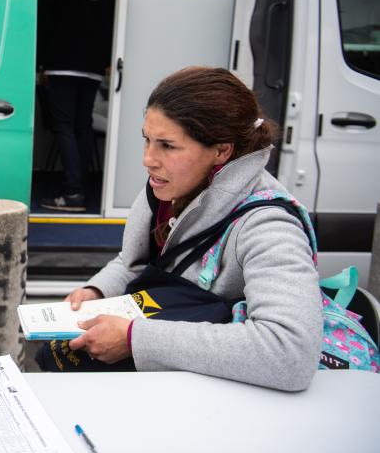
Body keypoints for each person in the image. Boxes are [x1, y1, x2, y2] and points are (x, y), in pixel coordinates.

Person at [56, 67, 322, 391]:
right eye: (147, 140)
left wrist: (134, 338)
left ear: (222, 151)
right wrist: (97, 292)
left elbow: (290, 352)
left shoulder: (267, 225)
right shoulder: (165, 188)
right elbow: (134, 264)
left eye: (167, 145)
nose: (148, 159)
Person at [37, 0, 116, 212]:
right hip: (94, 66)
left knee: (64, 126)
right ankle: (83, 189)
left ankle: (73, 194)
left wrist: (40, 63)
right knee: (82, 125)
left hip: (61, 62)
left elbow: (42, 18)